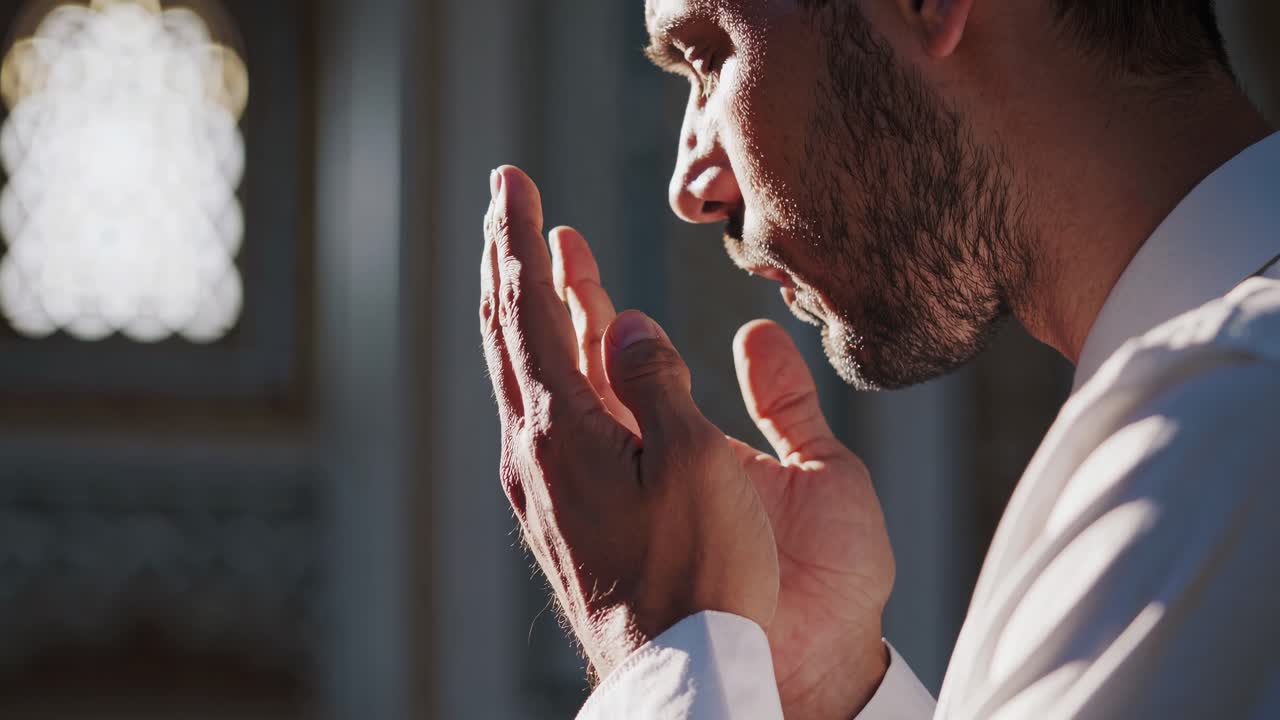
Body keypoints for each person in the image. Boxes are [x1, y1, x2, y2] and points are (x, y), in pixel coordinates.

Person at [478, 0, 1280, 717]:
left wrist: (662, 647)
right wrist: (833, 685)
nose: (689, 187)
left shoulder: (1219, 432)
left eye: (710, 54)